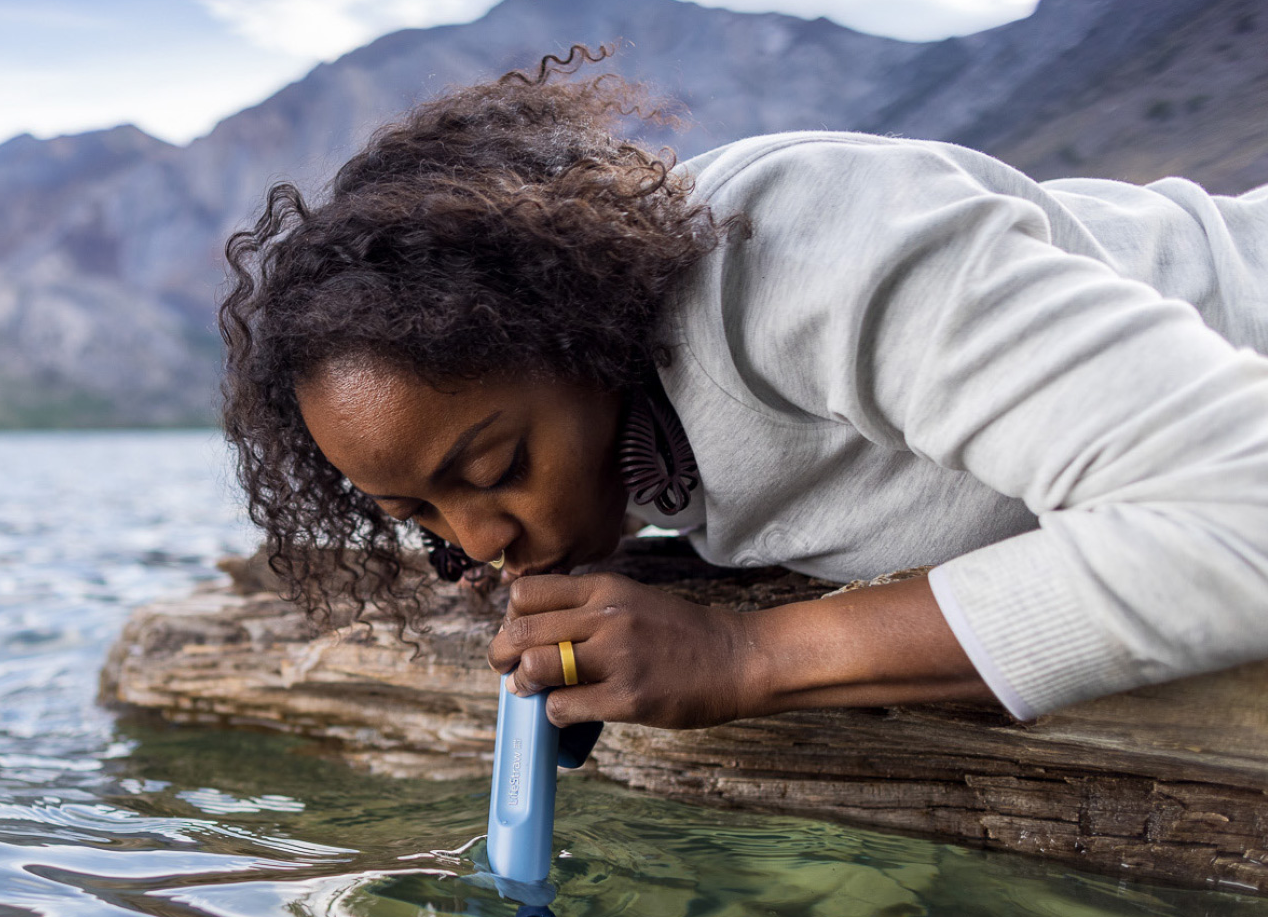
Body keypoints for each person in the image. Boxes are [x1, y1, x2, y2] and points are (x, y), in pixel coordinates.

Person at [217, 48, 1268, 731]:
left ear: (578, 325)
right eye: (424, 523)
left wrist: (753, 653)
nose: (478, 543)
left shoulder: (799, 252)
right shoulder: (620, 432)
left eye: (493, 468)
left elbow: (1244, 514)